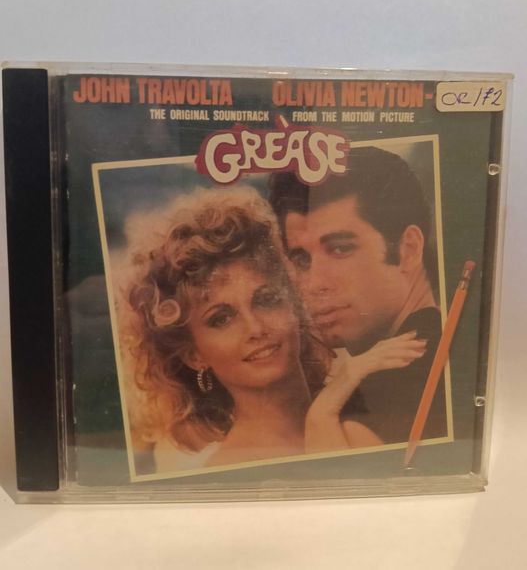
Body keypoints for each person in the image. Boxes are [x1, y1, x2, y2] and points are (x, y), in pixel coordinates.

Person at [117, 185, 426, 472]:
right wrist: (322, 415)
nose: (256, 328)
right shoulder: (232, 468)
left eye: (266, 299)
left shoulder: (368, 399)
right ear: (194, 355)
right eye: (221, 319)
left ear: (293, 302)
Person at [269, 145, 447, 444]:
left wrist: (320, 416)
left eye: (340, 249)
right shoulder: (420, 349)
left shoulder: (396, 381)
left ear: (409, 249)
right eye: (301, 259)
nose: (314, 284)